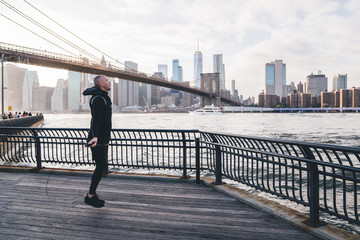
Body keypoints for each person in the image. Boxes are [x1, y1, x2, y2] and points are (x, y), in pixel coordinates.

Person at [82, 75, 112, 208]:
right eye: (106, 80)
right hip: (97, 139)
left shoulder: (102, 96)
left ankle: (91, 194)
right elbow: (96, 120)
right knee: (100, 167)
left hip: (101, 138)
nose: (109, 81)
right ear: (100, 83)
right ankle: (90, 196)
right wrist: (95, 137)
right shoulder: (99, 98)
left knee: (100, 167)